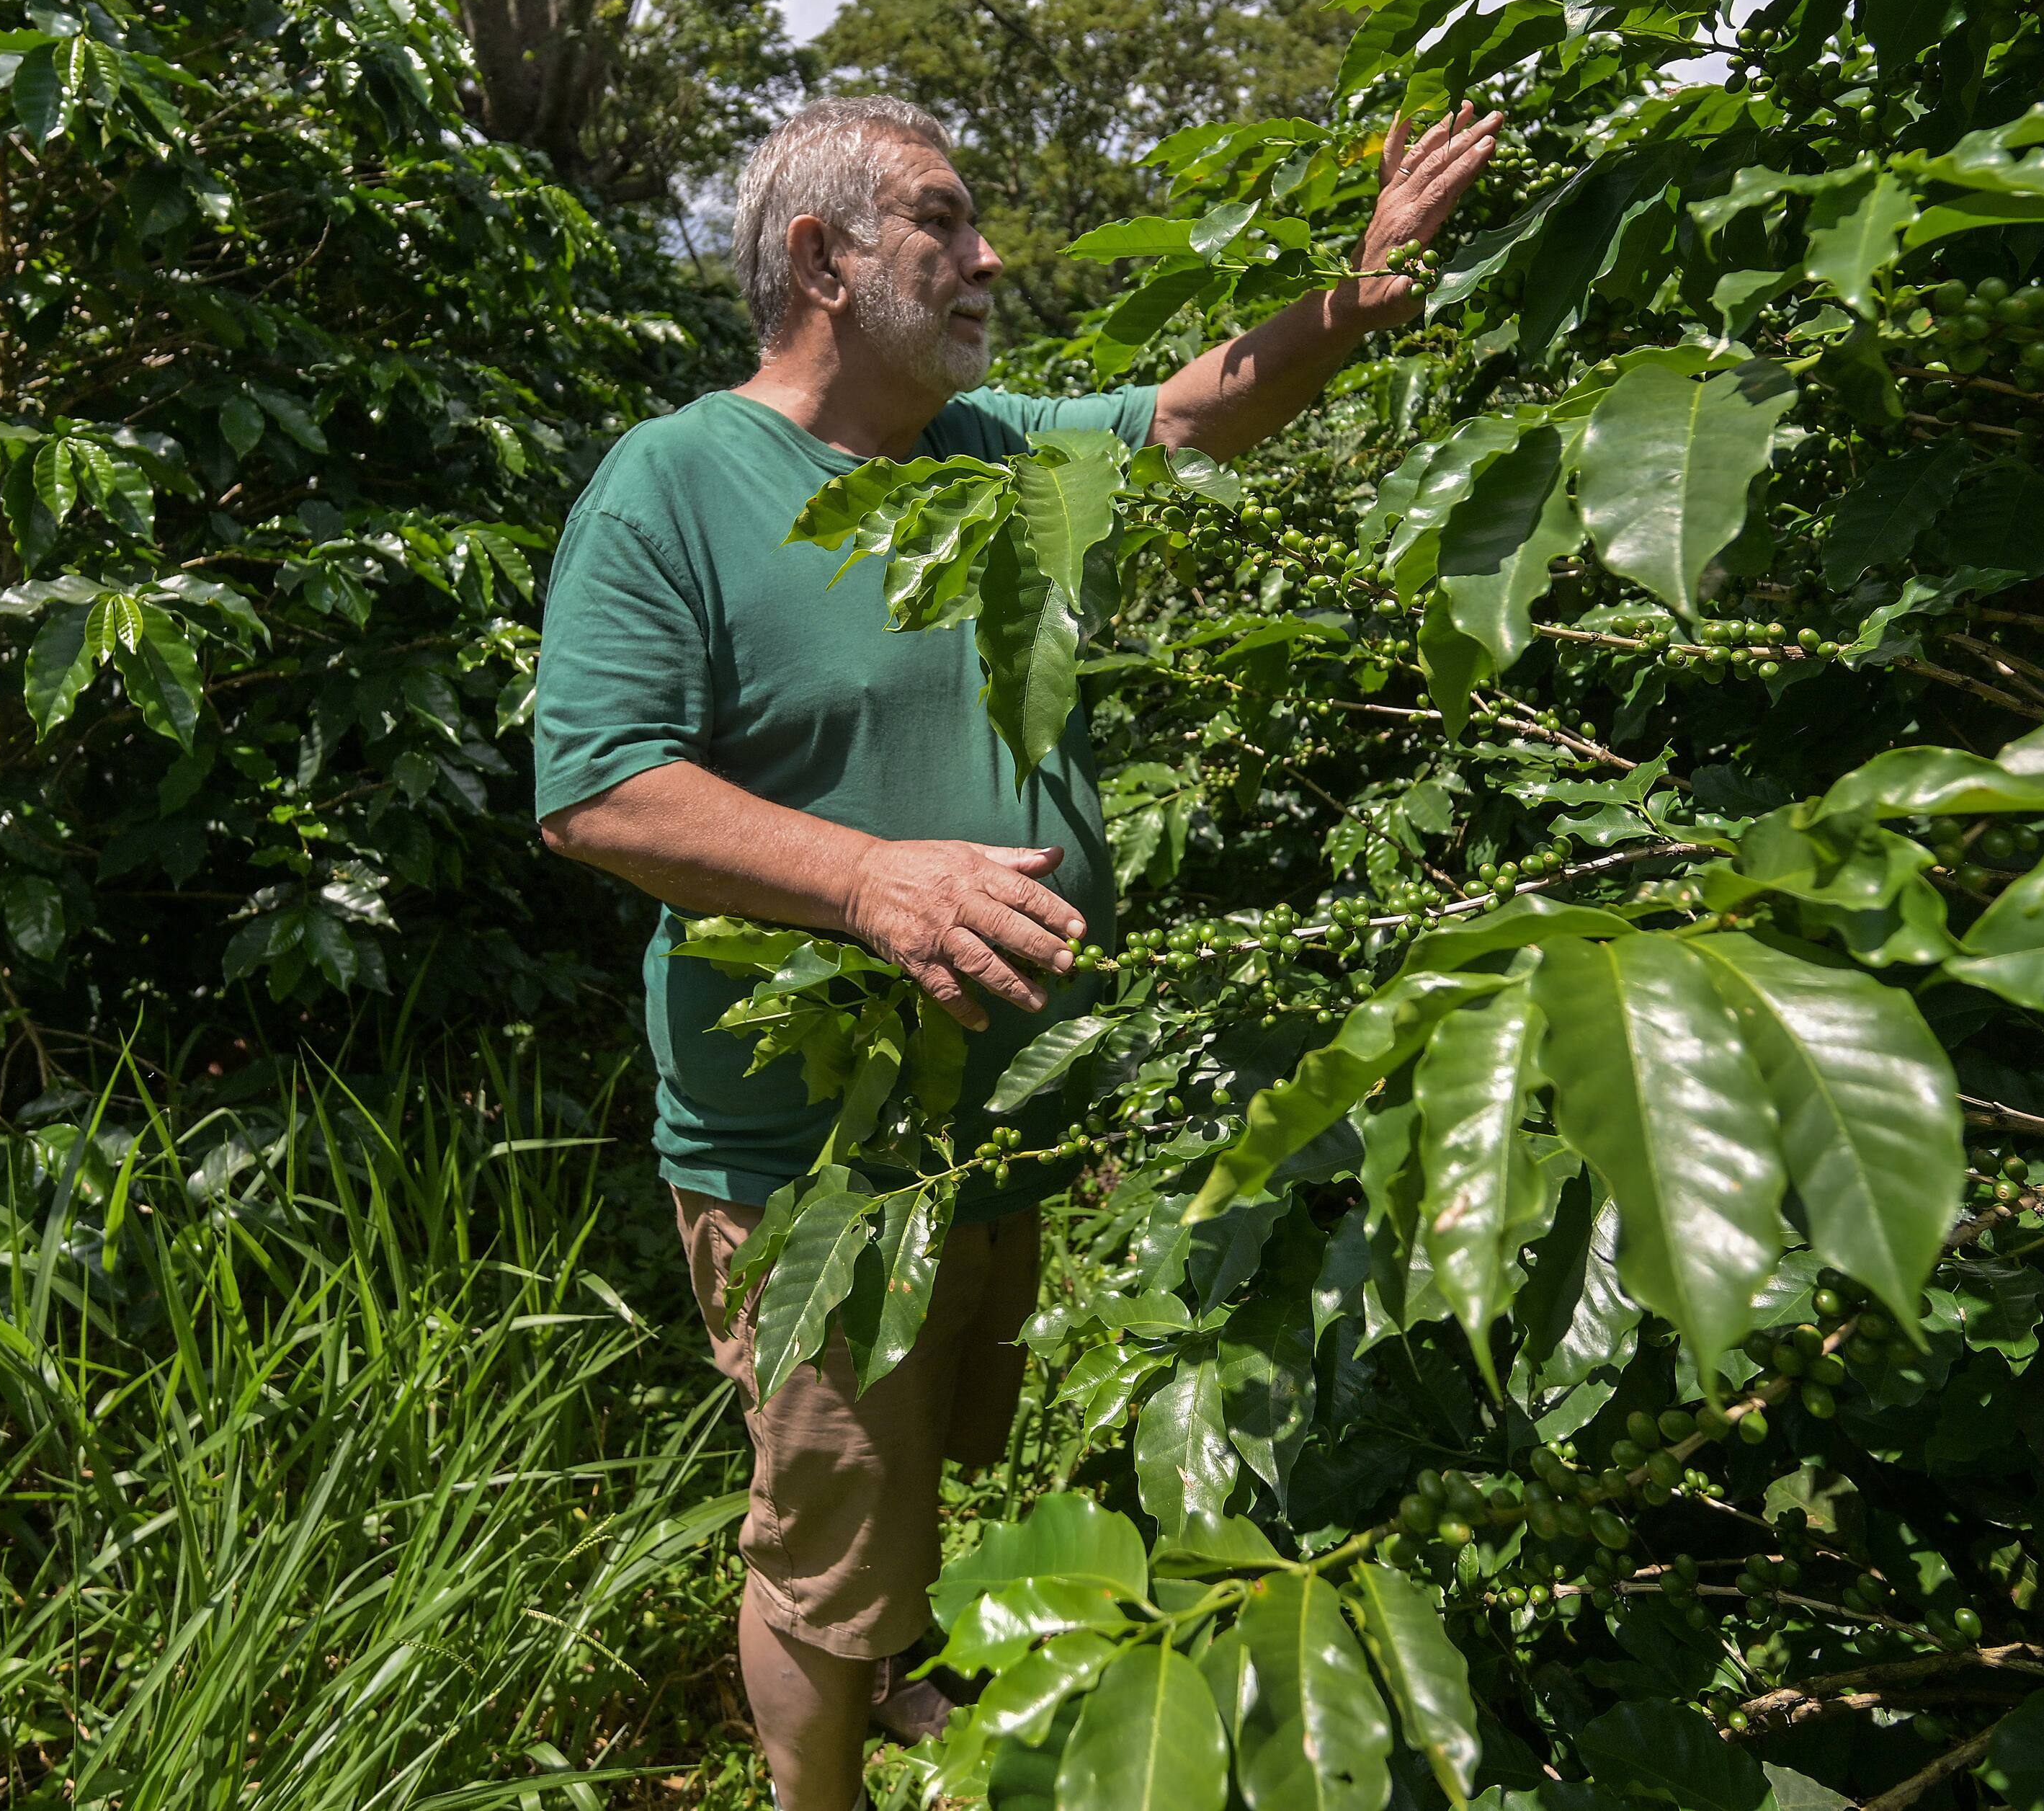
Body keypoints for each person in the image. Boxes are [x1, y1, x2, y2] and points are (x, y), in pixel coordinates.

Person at [532, 93, 1499, 1807]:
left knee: (939, 1481)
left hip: (997, 1122)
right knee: (828, 1548)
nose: (988, 260)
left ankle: (911, 1701)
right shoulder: (675, 480)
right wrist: (867, 880)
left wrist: (1366, 290)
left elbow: (1200, 413)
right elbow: (596, 789)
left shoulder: (992, 449)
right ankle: (808, 1786)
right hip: (810, 1158)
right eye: (941, 222)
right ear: (821, 258)